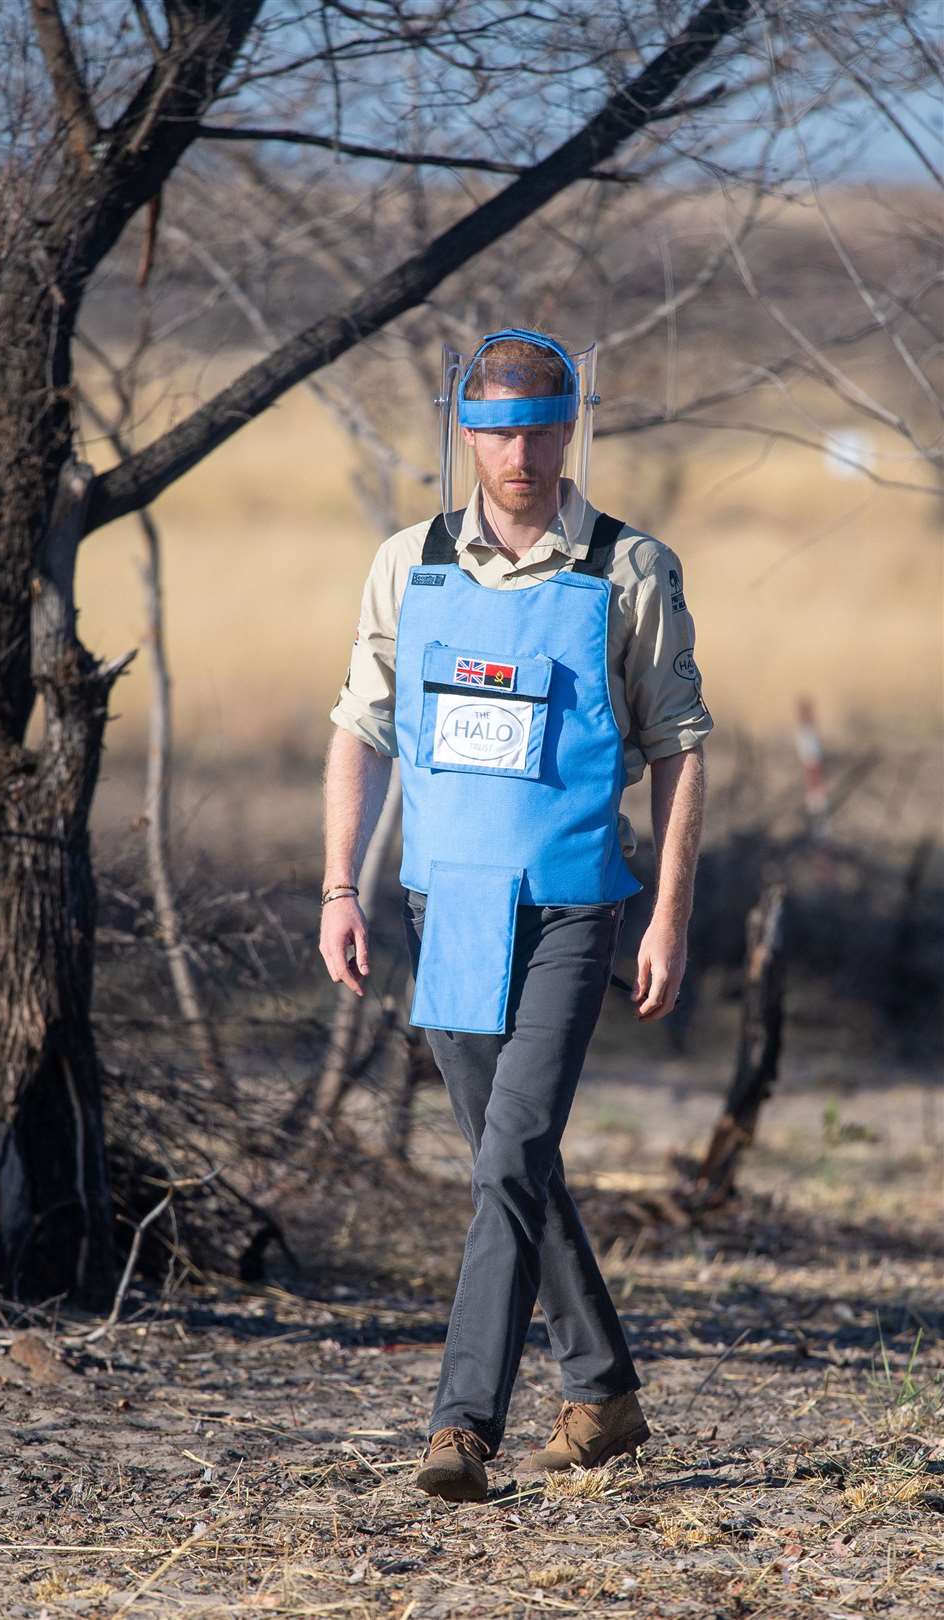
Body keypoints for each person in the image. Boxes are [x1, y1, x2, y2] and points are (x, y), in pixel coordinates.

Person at [319, 328, 711, 1502]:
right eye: (497, 431)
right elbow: (361, 725)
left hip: (576, 910)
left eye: (542, 429)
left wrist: (671, 916)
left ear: (569, 427)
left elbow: (682, 750)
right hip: (447, 909)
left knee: (512, 1156)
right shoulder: (409, 562)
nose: (521, 453)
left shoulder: (628, 569)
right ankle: (605, 1394)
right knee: (511, 1163)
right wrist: (341, 883)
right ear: (466, 434)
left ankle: (462, 1429)